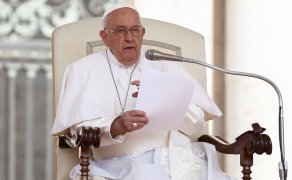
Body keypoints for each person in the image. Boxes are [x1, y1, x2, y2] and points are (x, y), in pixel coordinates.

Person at [51, 3, 235, 180]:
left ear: (142, 33)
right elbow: (79, 131)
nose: (129, 38)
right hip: (123, 163)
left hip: (179, 157)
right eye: (121, 31)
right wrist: (117, 125)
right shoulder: (82, 70)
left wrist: (168, 99)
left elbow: (195, 123)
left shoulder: (164, 65)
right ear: (104, 37)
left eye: (134, 30)